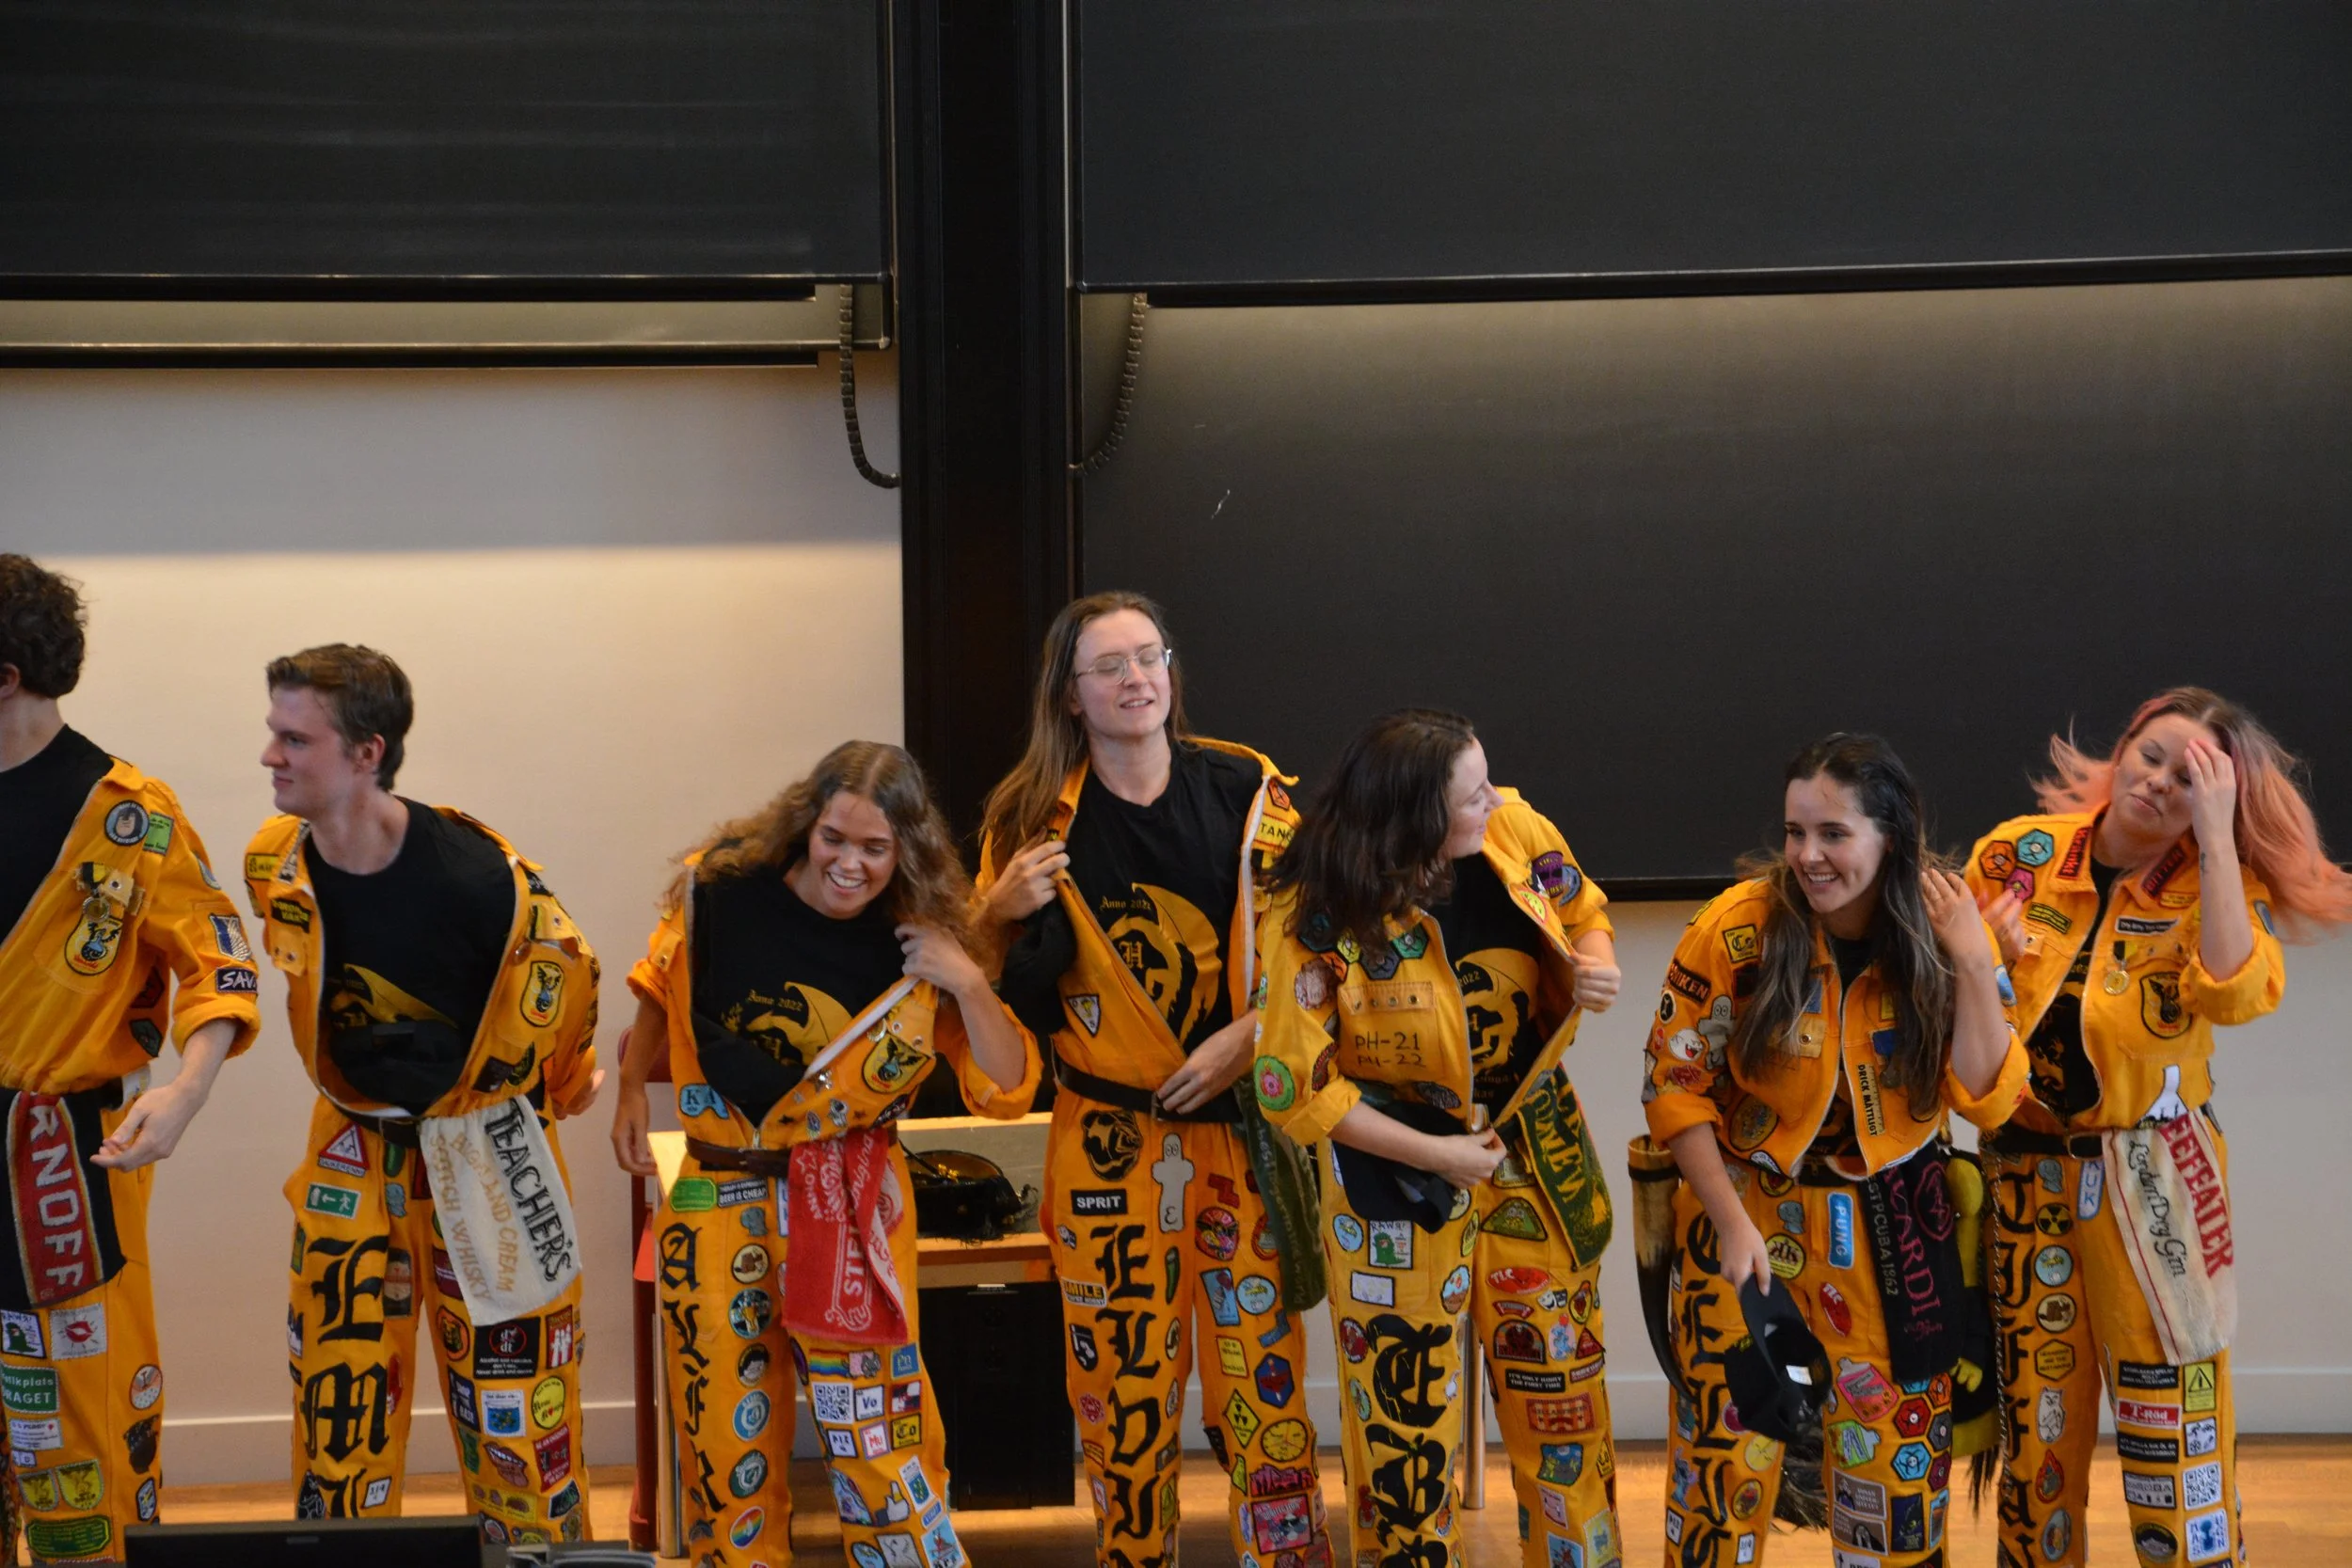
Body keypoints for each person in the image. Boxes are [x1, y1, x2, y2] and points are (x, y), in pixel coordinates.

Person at [611, 740, 1037, 1568]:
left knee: (882, 1439)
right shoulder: (719, 890)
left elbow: (1008, 1084)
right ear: (806, 824)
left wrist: (969, 980)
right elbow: (661, 983)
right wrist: (631, 1087)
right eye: (834, 838)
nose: (850, 863)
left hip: (851, 1203)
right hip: (718, 1190)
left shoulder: (925, 936)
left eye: (875, 847)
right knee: (722, 1445)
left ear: (905, 849)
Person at [977, 591, 1330, 1568]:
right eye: (1110, 666)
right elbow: (976, 987)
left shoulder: (1249, 790)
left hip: (1241, 1135)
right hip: (1106, 1145)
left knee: (1262, 1383)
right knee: (1121, 1397)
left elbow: (1321, 953)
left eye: (1150, 656)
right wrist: (996, 909)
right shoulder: (1028, 819)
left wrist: (1249, 1037)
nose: (1136, 678)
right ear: (1070, 694)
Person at [1965, 689, 2351, 1568]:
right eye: (2152, 755)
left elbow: (2235, 991)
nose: (2159, 783)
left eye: (2192, 778)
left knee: (2171, 1421)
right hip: (2025, 1175)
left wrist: (2215, 838)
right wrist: (1978, 959)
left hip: (2153, 1178)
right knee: (2035, 1439)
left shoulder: (2217, 882)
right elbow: (1953, 1001)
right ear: (2122, 748)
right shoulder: (2019, 855)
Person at [244, 644, 602, 1546]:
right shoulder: (276, 863)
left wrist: (566, 1085)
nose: (270, 756)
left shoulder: (482, 882)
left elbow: (568, 986)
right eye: (274, 732)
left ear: (368, 752)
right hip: (353, 1144)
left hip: (486, 1147)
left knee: (520, 1418)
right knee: (340, 1417)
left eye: (296, 739)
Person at [1640, 734, 2024, 1568]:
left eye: (1834, 834)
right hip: (1745, 1225)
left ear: (1892, 836)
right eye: (1795, 831)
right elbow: (1673, 1085)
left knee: (1894, 1487)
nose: (1808, 855)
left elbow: (1988, 1092)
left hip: (1895, 1235)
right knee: (1720, 1487)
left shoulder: (1950, 926)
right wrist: (1730, 1222)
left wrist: (1972, 958)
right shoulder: (1736, 928)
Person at [1256, 708, 1574, 1568]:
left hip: (1528, 1150)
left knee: (1562, 1407)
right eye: (1472, 794)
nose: (1495, 800)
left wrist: (1595, 960)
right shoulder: (1313, 912)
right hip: (1395, 1181)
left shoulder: (1515, 832)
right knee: (1404, 1438)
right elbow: (1296, 1088)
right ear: (1413, 817)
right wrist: (1441, 1156)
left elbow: (1583, 908)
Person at [0, 555, 260, 1563]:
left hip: (62, 1149)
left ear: (8, 676)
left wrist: (189, 1087)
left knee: (78, 1406)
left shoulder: (127, 815)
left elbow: (215, 958)